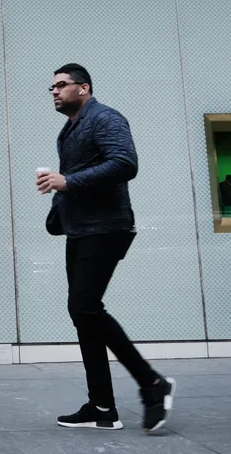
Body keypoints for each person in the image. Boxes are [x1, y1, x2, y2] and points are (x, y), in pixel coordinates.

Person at [36, 63, 175, 434]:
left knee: (85, 307)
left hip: (106, 229)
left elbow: (125, 164)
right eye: (52, 87)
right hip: (80, 230)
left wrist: (67, 182)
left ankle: (152, 383)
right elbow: (74, 177)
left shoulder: (106, 118)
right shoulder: (69, 129)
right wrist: (58, 203)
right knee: (83, 314)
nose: (54, 91)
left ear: (84, 88)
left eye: (62, 85)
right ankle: (102, 407)